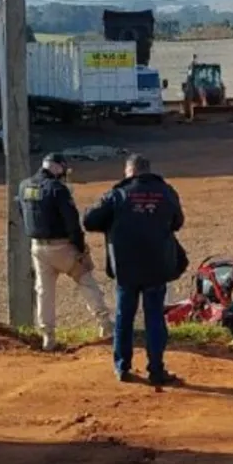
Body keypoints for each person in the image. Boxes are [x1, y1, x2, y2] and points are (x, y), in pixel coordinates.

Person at [83, 154, 187, 386]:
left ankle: (122, 368)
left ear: (129, 171)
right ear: (148, 170)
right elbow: (178, 222)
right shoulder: (166, 191)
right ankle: (157, 370)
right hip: (156, 266)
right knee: (154, 318)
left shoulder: (117, 194)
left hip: (126, 268)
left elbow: (89, 221)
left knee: (124, 317)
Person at [18, 153, 112, 351]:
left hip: (37, 247)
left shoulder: (24, 185)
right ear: (59, 168)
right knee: (86, 280)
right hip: (63, 247)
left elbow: (22, 213)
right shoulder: (57, 189)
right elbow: (71, 221)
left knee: (44, 291)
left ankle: (48, 337)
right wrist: (80, 247)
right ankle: (105, 324)